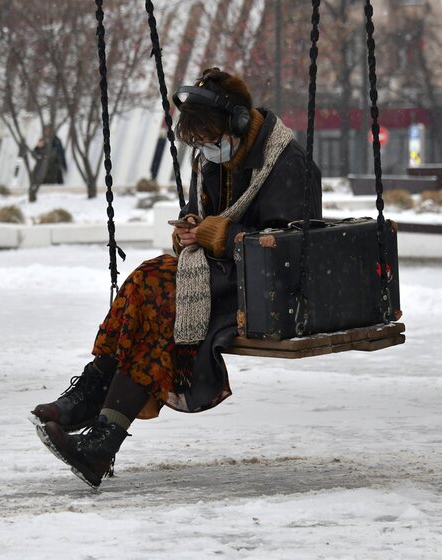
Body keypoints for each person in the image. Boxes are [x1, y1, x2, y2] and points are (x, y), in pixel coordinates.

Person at [31, 67, 322, 488]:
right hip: (215, 275)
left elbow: (289, 250)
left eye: (209, 140)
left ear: (238, 123)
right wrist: (187, 230)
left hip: (264, 290)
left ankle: (100, 432)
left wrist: (220, 234)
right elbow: (198, 216)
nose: (205, 150)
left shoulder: (287, 163)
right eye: (199, 144)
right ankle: (93, 396)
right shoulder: (209, 160)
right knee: (145, 279)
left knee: (162, 301)